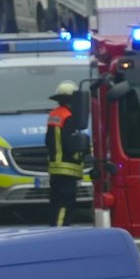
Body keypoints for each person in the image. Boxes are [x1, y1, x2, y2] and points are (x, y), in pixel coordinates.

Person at [44, 81, 88, 226]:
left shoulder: (54, 115)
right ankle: (61, 230)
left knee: (55, 202)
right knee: (66, 203)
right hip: (67, 168)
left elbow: (48, 141)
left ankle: (54, 227)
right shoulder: (69, 117)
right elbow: (69, 143)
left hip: (55, 169)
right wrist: (81, 155)